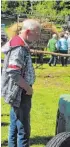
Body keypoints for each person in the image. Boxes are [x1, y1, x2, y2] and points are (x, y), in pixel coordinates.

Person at [1, 19, 41, 147]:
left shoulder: (19, 44)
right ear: (28, 31)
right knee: (23, 129)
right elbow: (13, 72)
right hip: (20, 92)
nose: (38, 36)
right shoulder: (19, 47)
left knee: (15, 125)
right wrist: (27, 88)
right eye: (37, 33)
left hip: (17, 91)